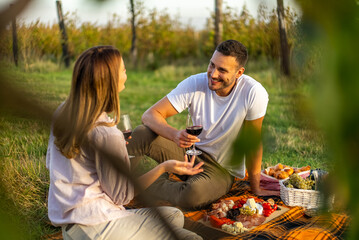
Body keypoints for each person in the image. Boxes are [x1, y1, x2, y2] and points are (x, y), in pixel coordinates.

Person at [46, 46, 203, 240]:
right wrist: (164, 167)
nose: (126, 73)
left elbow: (52, 163)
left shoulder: (63, 113)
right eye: (123, 70)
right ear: (110, 81)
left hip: (71, 226)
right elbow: (123, 196)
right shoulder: (106, 133)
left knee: (174, 216)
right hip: (99, 225)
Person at [127, 40, 279, 210]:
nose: (213, 74)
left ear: (239, 72)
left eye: (222, 70)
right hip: (190, 153)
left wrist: (256, 188)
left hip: (220, 170)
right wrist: (174, 135)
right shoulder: (195, 83)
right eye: (212, 65)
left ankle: (138, 185)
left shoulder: (253, 93)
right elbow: (149, 115)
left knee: (192, 195)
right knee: (141, 133)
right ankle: (117, 184)